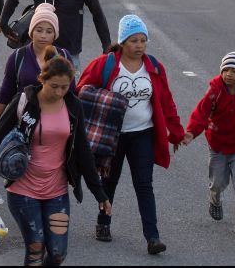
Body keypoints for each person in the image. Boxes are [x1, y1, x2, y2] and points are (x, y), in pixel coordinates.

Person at [0, 49, 112, 266]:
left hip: (56, 192)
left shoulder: (73, 106)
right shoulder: (24, 101)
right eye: (54, 86)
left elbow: (83, 151)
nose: (59, 92)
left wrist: (100, 194)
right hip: (23, 189)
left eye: (65, 87)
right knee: (35, 249)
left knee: (58, 253)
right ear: (42, 79)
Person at [77, 15, 185, 255]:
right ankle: (103, 222)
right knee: (109, 181)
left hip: (142, 134)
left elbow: (166, 101)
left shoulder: (154, 66)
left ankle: (152, 237)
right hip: (112, 136)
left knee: (144, 185)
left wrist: (177, 132)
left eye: (143, 40)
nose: (139, 45)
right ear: (122, 42)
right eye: (134, 40)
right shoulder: (104, 64)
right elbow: (80, 91)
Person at [182, 52, 235, 236]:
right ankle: (215, 200)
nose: (229, 74)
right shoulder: (214, 92)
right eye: (226, 70)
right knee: (218, 183)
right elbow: (201, 113)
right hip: (217, 147)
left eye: (234, 71)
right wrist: (191, 133)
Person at [0, 0, 111, 71]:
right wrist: (4, 24)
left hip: (69, 53)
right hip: (40, 52)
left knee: (68, 82)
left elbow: (98, 14)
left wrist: (106, 45)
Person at [0, 3, 74, 127]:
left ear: (55, 35)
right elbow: (5, 93)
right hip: (21, 121)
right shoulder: (17, 57)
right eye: (39, 30)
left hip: (54, 123)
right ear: (31, 31)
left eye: (49, 31)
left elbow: (71, 94)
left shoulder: (64, 57)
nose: (43, 35)